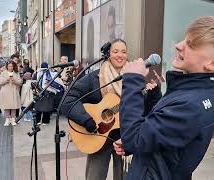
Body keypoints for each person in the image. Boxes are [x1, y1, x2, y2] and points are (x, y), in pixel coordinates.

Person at [113, 16, 214, 180]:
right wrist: (135, 143)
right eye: (184, 39)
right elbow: (166, 139)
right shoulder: (188, 91)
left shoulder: (191, 103)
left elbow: (136, 138)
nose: (178, 45)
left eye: (190, 44)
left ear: (213, 64)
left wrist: (132, 80)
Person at [61, 39, 161, 180]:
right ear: (108, 54)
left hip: (126, 138)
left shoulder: (136, 77)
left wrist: (153, 95)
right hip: (98, 134)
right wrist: (86, 120)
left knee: (126, 176)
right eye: (115, 51)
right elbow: (67, 100)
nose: (120, 55)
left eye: (123, 52)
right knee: (94, 176)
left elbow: (145, 110)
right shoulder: (95, 77)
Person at [0, 61, 22, 126]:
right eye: (9, 66)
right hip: (5, 91)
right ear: (7, 66)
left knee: (14, 106)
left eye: (12, 66)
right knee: (7, 106)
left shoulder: (16, 73)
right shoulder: (3, 73)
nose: (10, 67)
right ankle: (7, 119)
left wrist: (15, 81)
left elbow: (20, 82)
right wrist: (6, 80)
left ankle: (13, 119)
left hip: (14, 90)